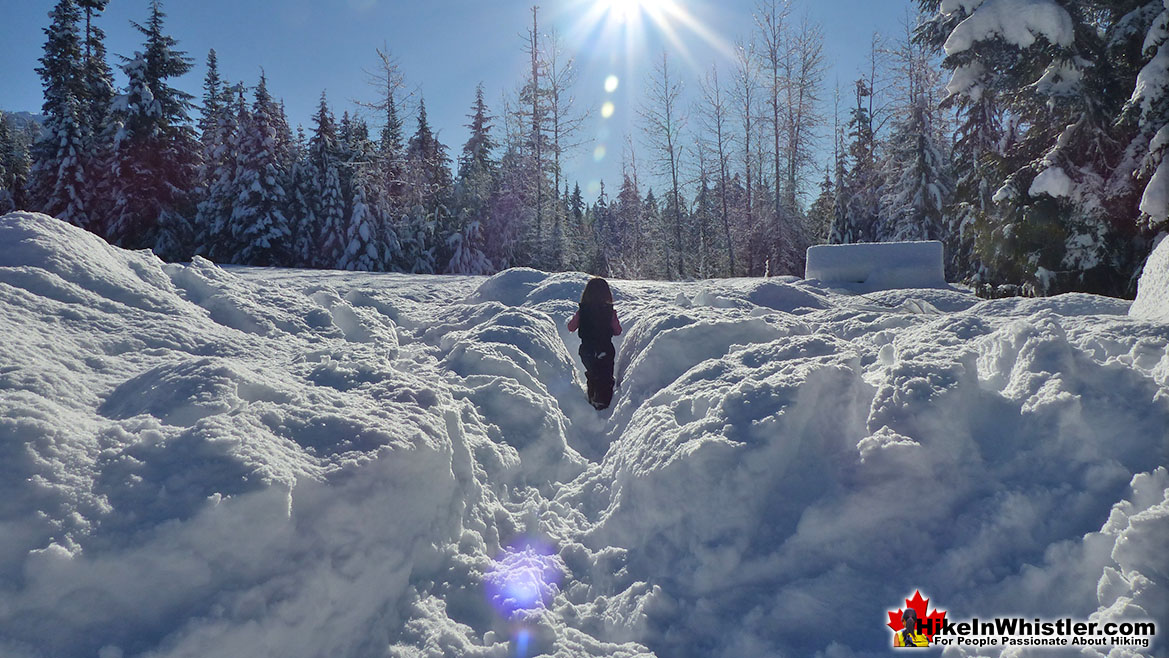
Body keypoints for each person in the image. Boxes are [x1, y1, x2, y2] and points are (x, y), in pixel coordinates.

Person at [567, 277, 622, 409]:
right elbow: (618, 331)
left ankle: (592, 400)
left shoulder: (582, 311)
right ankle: (605, 404)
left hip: (587, 350)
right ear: (607, 294)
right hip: (605, 348)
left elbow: (571, 327)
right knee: (606, 377)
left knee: (593, 375)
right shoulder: (610, 312)